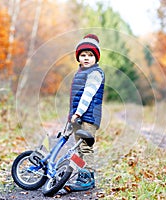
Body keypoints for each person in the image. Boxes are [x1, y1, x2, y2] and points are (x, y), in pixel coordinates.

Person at [65, 34, 105, 192]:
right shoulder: (79, 73)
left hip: (89, 117)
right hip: (78, 116)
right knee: (79, 148)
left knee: (86, 146)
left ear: (96, 57)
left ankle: (88, 177)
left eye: (90, 55)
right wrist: (71, 119)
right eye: (83, 55)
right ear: (78, 58)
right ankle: (82, 175)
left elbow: (87, 95)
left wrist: (78, 113)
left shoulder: (96, 73)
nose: (86, 58)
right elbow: (73, 99)